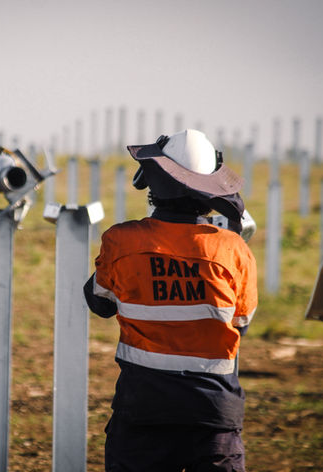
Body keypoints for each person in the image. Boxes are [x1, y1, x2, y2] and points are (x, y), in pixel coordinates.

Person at [84, 129, 258, 472]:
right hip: (213, 416)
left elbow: (99, 302)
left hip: (143, 410)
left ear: (153, 181)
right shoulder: (234, 249)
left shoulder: (121, 241)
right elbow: (242, 323)